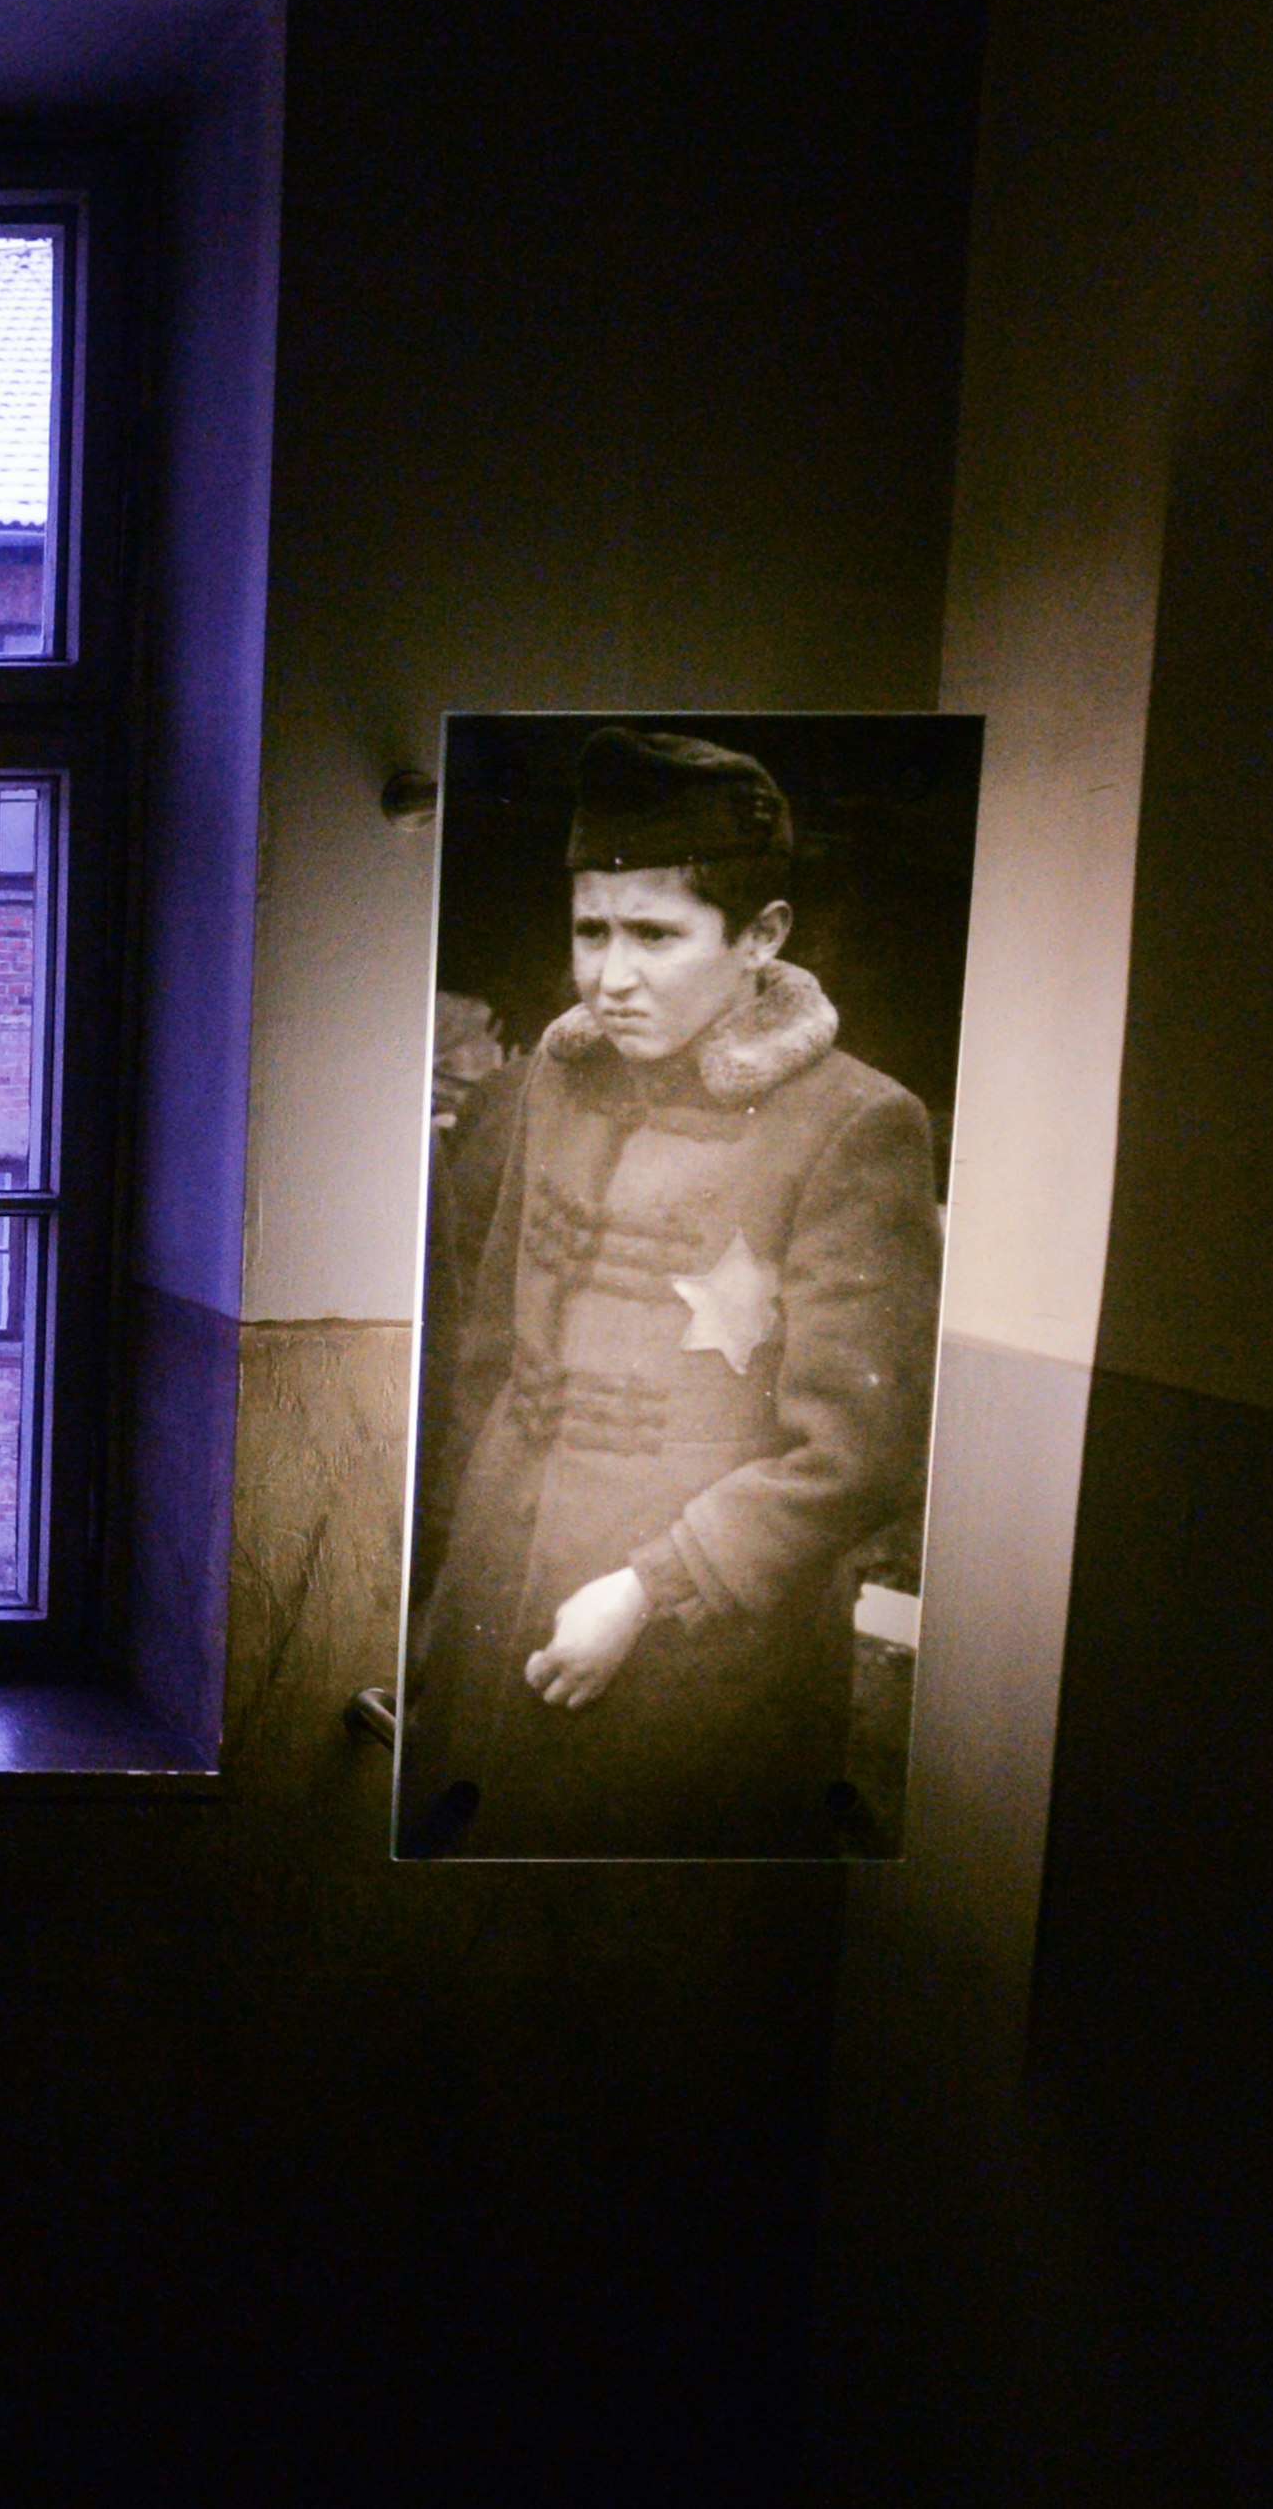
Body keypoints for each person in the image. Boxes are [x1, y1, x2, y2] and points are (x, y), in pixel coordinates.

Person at [402, 728, 941, 1858]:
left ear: (762, 938)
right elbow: (493, 1354)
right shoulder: (558, 1076)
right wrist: (459, 1590)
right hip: (497, 1618)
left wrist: (648, 1591)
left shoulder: (858, 1126)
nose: (611, 976)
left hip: (690, 1666)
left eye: (656, 934)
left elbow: (860, 1456)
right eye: (590, 931)